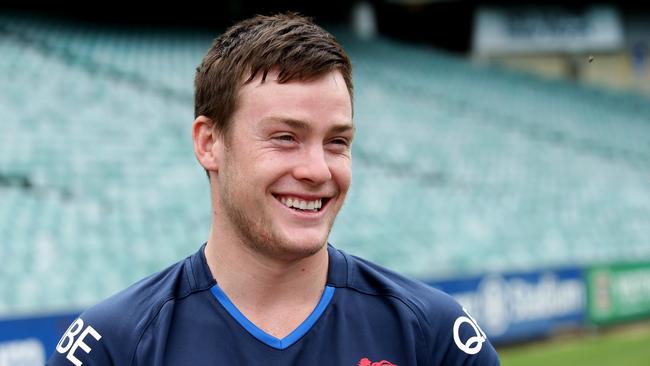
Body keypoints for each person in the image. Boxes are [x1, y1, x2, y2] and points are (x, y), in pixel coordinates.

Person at [48, 13, 500, 365]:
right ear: (209, 144)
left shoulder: (434, 337)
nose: (317, 169)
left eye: (337, 142)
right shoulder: (114, 346)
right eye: (285, 137)